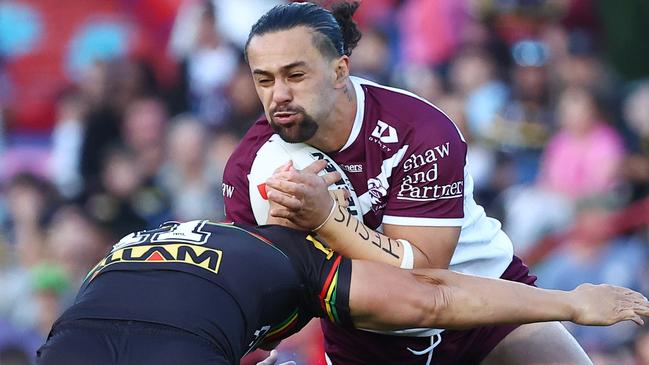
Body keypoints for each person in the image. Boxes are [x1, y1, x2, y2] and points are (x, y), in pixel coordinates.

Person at [222, 2, 611, 364]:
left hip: (489, 307)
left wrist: (326, 221)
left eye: (295, 75)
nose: (280, 95)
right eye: (265, 80)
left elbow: (423, 278)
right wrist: (282, 247)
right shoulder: (249, 168)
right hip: (367, 342)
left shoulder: (419, 130)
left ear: (340, 71)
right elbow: (257, 307)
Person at [35, 219, 649, 365]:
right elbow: (432, 297)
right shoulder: (302, 258)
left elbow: (124, 319)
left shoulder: (150, 235)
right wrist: (570, 302)